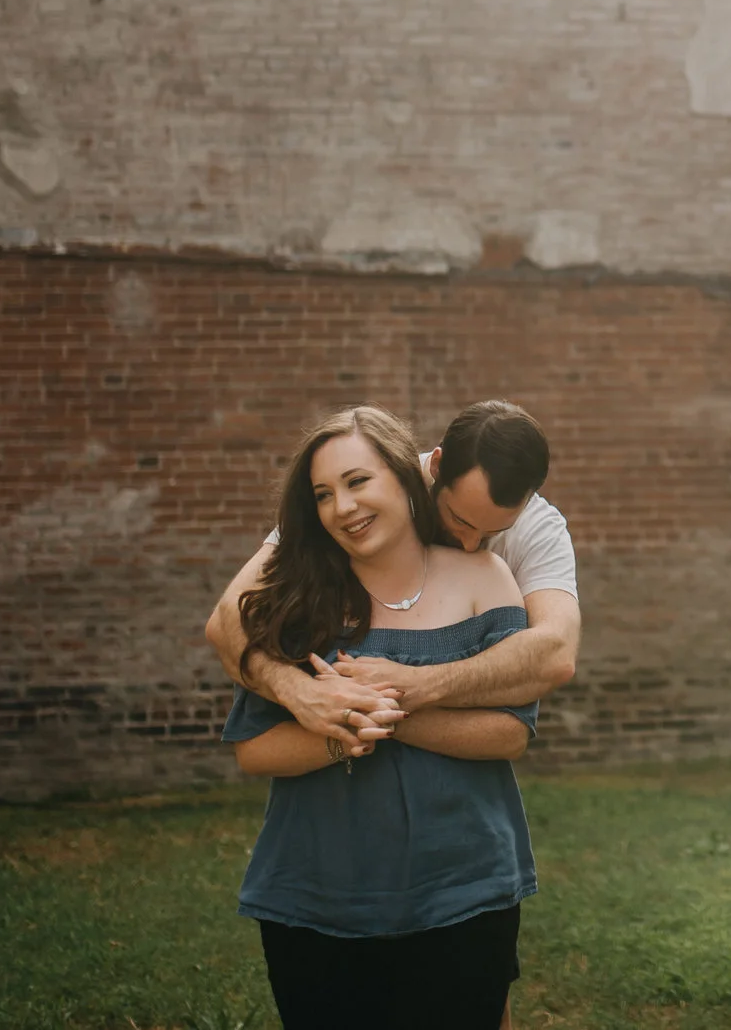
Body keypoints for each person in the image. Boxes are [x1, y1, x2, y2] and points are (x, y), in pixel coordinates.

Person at [222, 406, 536, 1030]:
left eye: (357, 481)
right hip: (316, 901)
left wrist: (388, 711)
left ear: (403, 475)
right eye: (323, 494)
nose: (342, 506)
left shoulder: (485, 577)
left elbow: (511, 732)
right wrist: (340, 737)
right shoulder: (296, 596)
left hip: (464, 893)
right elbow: (253, 749)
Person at [206, 400, 579, 756]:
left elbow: (556, 652)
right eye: (460, 520)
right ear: (436, 466)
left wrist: (418, 685)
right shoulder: (365, 492)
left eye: (494, 532)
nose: (471, 545)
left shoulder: (538, 528)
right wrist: (298, 691)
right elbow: (226, 621)